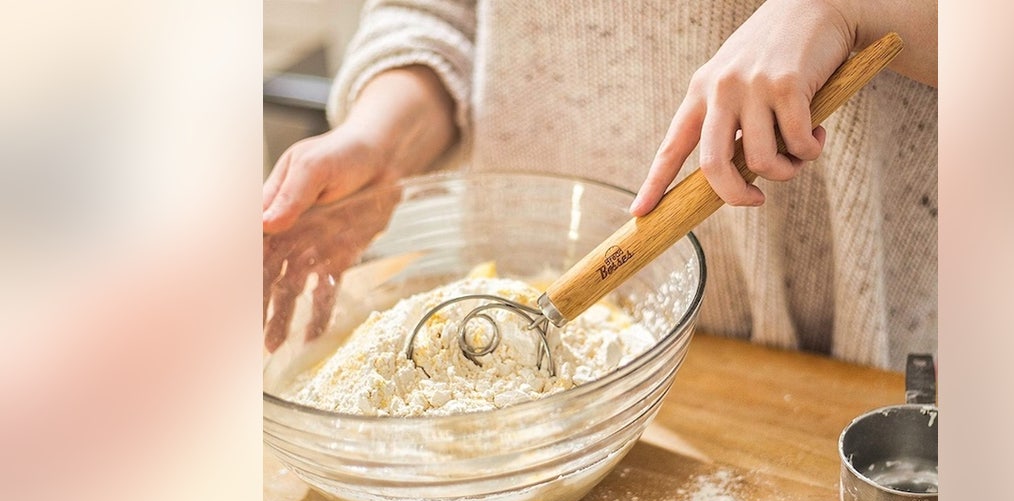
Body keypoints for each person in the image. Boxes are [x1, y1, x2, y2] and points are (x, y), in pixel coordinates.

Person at [263, 0, 937, 370]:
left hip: (849, 352)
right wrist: (378, 140)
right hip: (560, 330)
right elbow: (440, 15)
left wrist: (838, 8)